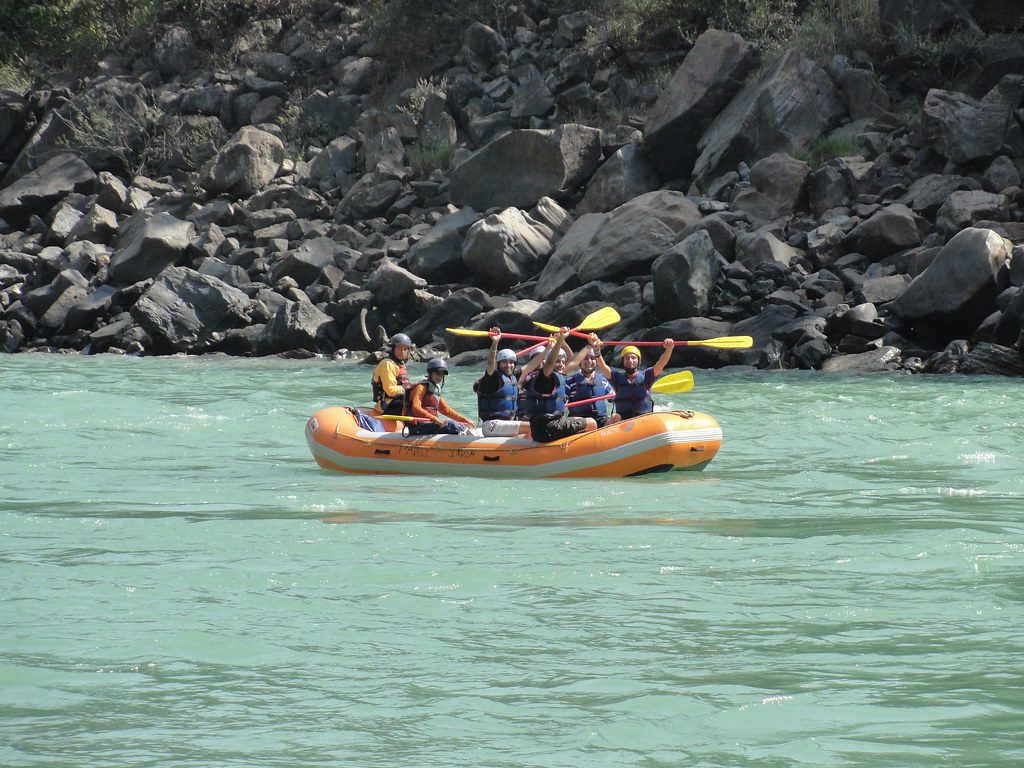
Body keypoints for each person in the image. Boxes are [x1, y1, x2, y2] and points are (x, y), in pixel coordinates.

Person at [522, 330, 598, 443]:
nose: (562, 365)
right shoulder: (544, 376)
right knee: (591, 423)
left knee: (578, 420)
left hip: (547, 427)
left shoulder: (557, 375)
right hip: (548, 427)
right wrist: (560, 341)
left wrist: (589, 345)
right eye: (558, 362)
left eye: (563, 362)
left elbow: (575, 361)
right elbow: (550, 363)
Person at [404, 358, 475, 435]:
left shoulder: (435, 389)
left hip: (430, 425)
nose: (440, 376)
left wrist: (465, 420)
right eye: (437, 373)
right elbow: (416, 408)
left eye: (442, 374)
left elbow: (446, 410)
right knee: (452, 425)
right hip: (417, 427)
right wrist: (435, 419)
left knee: (456, 425)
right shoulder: (421, 387)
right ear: (430, 373)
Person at [609, 339, 675, 420]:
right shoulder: (616, 378)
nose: (630, 360)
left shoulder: (647, 376)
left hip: (643, 421)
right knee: (614, 417)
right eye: (627, 358)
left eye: (633, 358)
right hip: (624, 423)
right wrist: (597, 351)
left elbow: (661, 363)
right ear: (623, 361)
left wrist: (669, 349)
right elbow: (604, 368)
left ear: (639, 361)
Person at [566, 336, 620, 428]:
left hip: (601, 420)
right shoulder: (570, 382)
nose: (589, 361)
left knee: (616, 417)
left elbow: (615, 399)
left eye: (592, 358)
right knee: (590, 423)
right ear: (580, 362)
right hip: (580, 421)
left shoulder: (603, 381)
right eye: (586, 358)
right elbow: (559, 401)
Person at [474, 327, 520, 422]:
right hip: (493, 424)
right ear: (498, 364)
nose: (508, 365)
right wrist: (495, 343)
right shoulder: (493, 378)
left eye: (511, 362)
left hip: (508, 423)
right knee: (529, 428)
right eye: (504, 362)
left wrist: (551, 347)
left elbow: (532, 364)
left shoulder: (513, 377)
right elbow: (490, 363)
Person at [371, 333, 411, 416]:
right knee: (407, 403)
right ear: (393, 348)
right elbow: (390, 390)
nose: (402, 351)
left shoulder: (400, 365)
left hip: (396, 401)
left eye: (405, 349)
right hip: (385, 405)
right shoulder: (387, 364)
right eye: (399, 348)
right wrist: (407, 387)